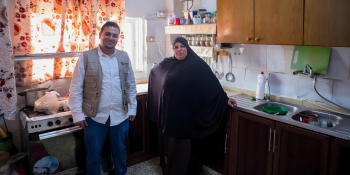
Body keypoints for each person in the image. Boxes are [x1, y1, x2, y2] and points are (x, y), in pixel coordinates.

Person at [147, 37, 237, 175]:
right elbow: (154, 72)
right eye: (176, 47)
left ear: (187, 47)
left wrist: (224, 99)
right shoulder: (168, 62)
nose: (179, 50)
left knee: (187, 147)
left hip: (189, 114)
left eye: (182, 46)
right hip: (171, 114)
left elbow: (211, 84)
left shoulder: (197, 64)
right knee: (172, 146)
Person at [69, 21, 137, 175]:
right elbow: (76, 87)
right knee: (93, 153)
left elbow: (131, 84)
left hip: (120, 114)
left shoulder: (124, 56)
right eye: (107, 34)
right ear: (100, 35)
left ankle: (121, 173)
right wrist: (77, 114)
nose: (111, 38)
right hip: (95, 117)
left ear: (118, 38)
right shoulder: (86, 57)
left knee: (120, 150)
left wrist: (132, 107)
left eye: (115, 35)